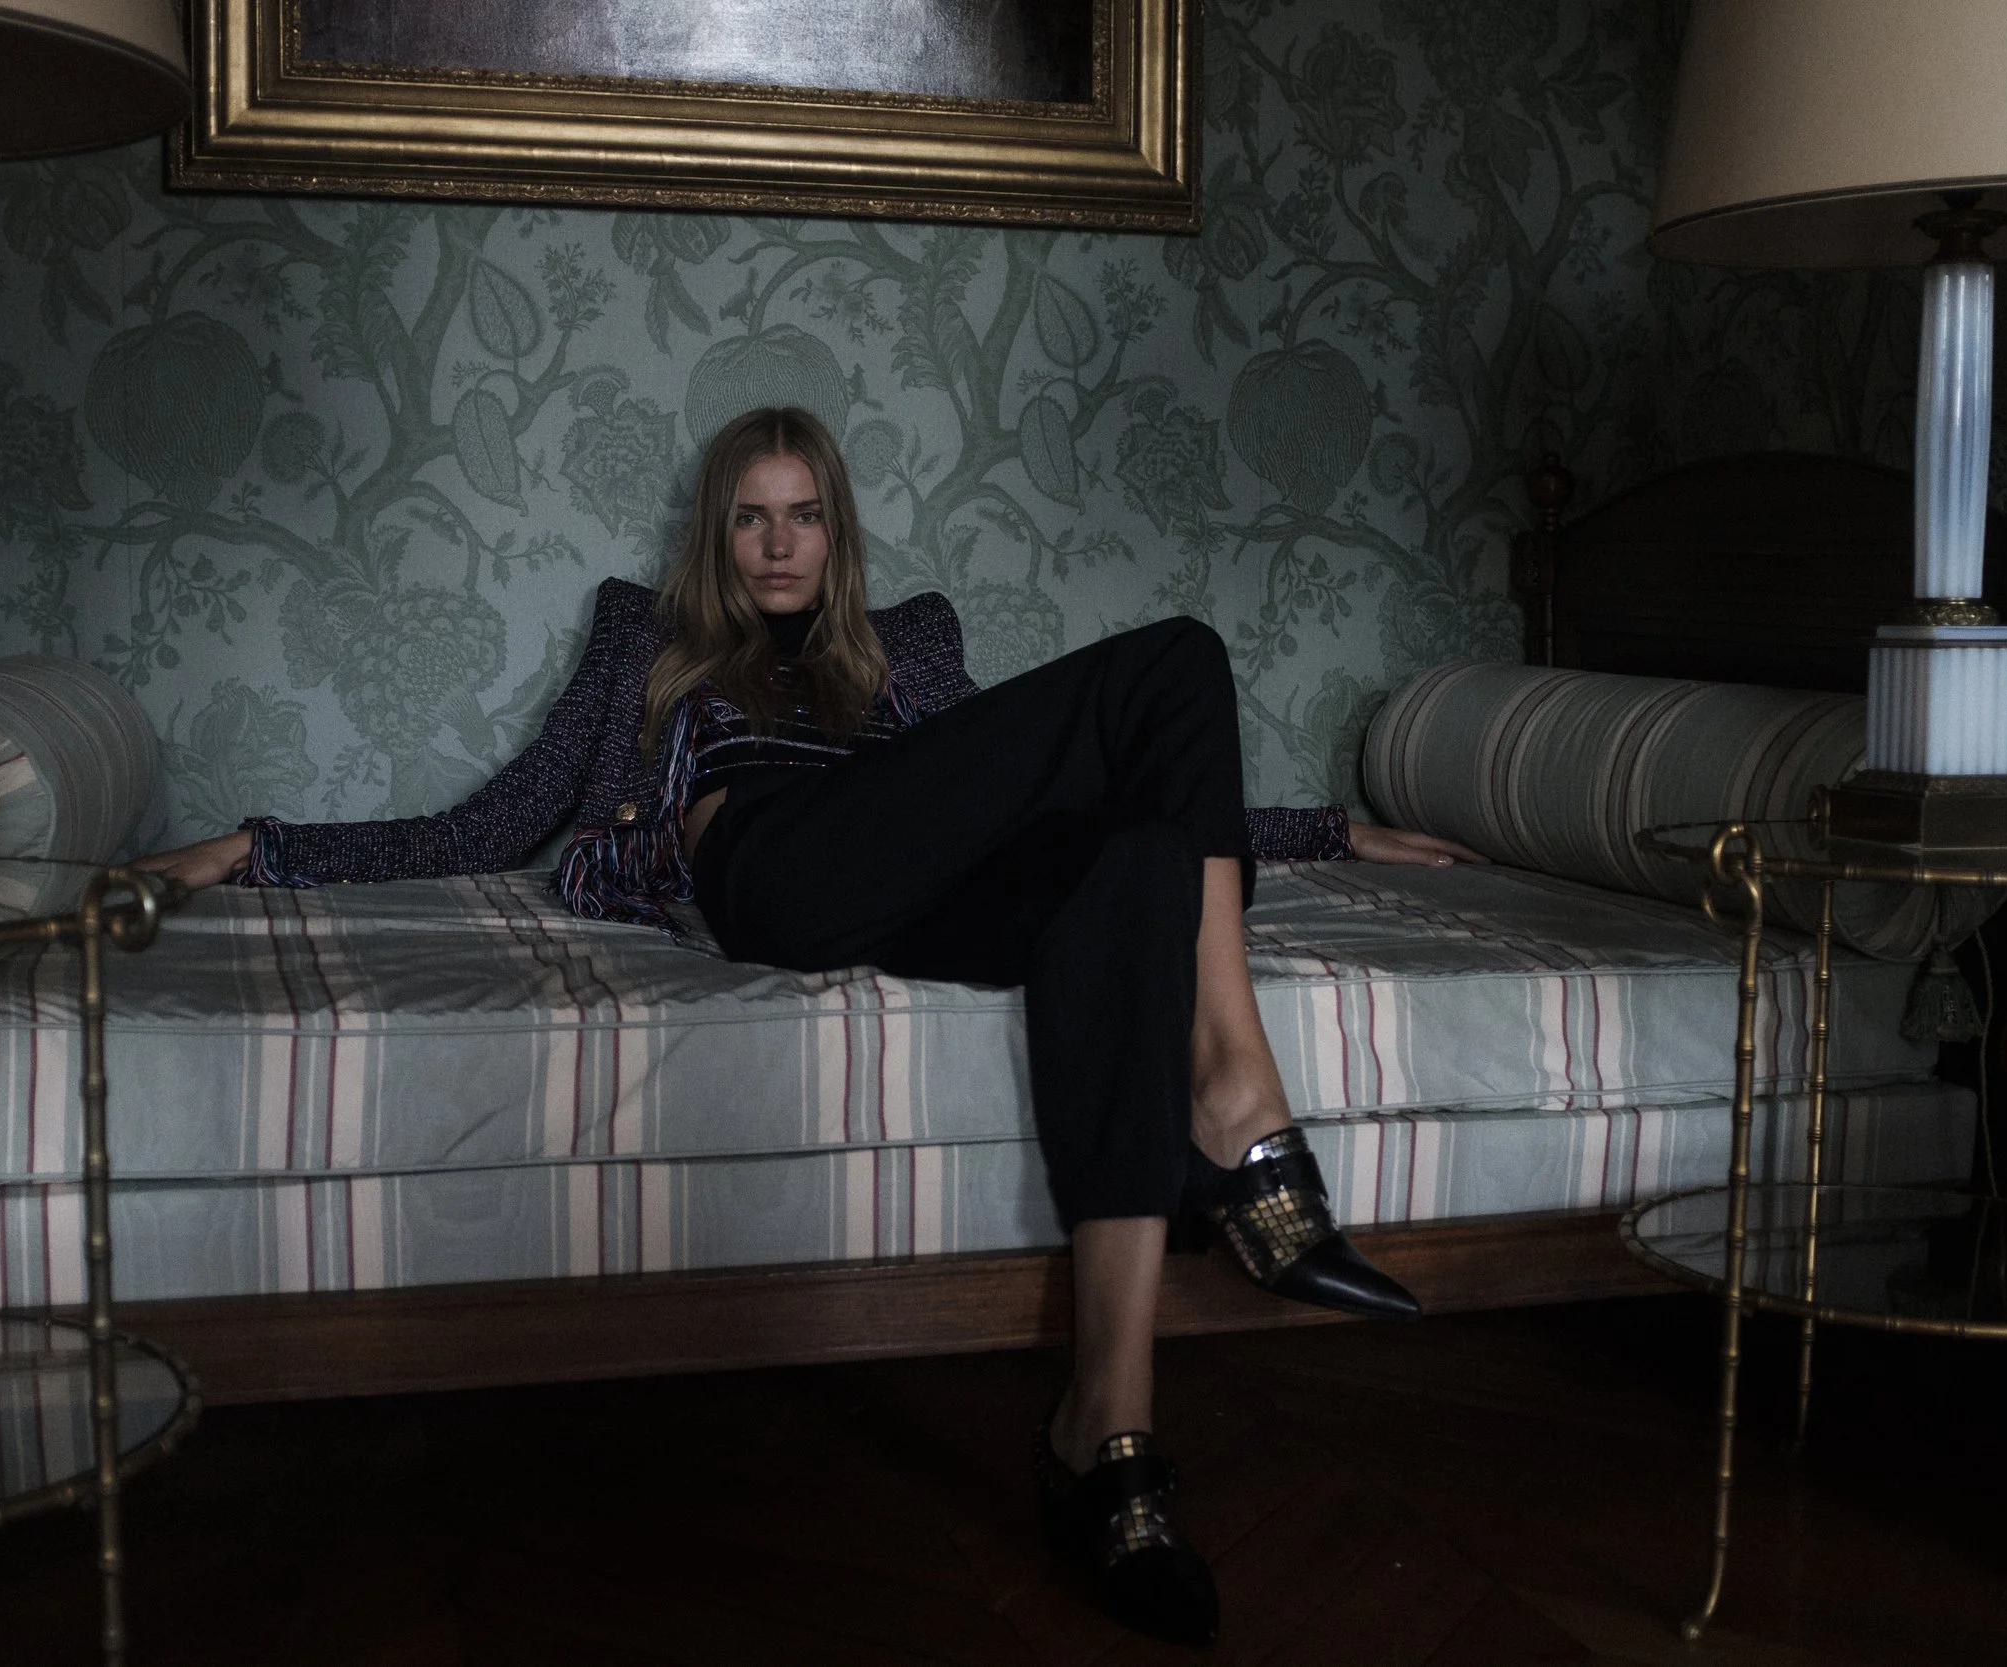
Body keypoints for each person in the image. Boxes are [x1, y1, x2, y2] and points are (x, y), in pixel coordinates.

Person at [140, 406, 1483, 1644]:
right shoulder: (645, 644)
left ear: (838, 532)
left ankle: (1107, 1429)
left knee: (1136, 864)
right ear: (715, 533)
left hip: (919, 885)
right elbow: (490, 822)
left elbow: (1077, 769)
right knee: (1176, 656)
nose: (779, 545)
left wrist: (1331, 831)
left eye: (805, 515)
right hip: (775, 867)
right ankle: (1240, 1107)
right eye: (750, 517)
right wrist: (249, 850)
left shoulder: (910, 653)